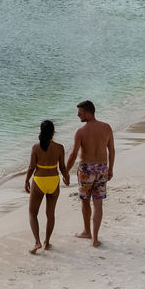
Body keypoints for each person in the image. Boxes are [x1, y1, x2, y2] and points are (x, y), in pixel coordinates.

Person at [66, 101, 115, 247]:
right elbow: (111, 150)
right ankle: (95, 238)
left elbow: (73, 154)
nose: (78, 115)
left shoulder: (81, 131)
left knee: (85, 201)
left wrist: (65, 171)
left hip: (86, 171)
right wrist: (111, 169)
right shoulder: (106, 128)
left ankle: (87, 231)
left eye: (80, 113)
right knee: (98, 203)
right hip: (102, 169)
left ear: (88, 113)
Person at [24, 119, 69, 254]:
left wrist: (26, 180)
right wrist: (67, 177)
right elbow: (62, 167)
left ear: (41, 131)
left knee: (33, 213)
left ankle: (37, 242)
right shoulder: (59, 147)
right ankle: (47, 242)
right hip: (54, 181)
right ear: (53, 132)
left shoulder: (36, 147)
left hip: (39, 181)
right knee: (50, 214)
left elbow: (32, 167)